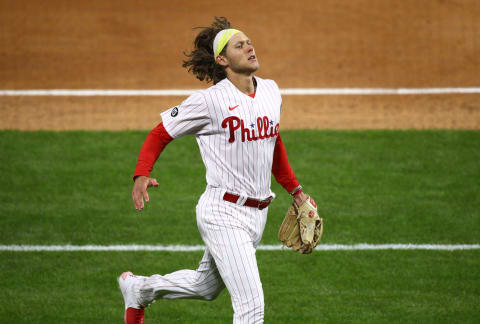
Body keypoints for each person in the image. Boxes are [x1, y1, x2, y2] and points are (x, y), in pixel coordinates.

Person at [118, 17, 311, 324]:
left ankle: (138, 289)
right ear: (222, 59)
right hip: (223, 213)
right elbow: (161, 133)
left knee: (205, 286)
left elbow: (273, 143)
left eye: (249, 41)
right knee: (251, 306)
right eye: (239, 45)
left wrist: (297, 192)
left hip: (257, 215)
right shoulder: (209, 102)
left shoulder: (271, 91)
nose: (249, 46)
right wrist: (141, 174)